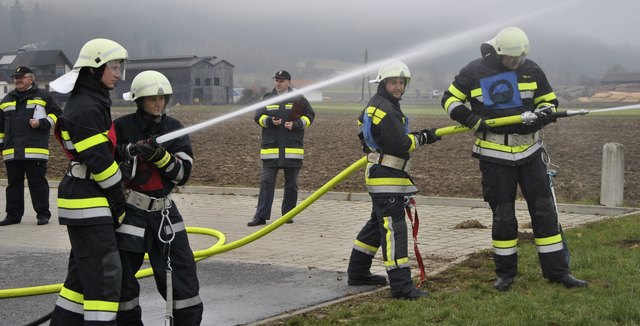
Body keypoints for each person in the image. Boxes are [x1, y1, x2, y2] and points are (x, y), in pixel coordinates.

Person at [440, 26, 587, 291]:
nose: (515, 64)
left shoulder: (531, 69)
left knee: (544, 212)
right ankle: (505, 275)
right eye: (511, 59)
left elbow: (549, 100)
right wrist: (472, 119)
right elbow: (449, 100)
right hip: (495, 155)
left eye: (519, 59)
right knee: (504, 216)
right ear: (497, 52)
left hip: (530, 152)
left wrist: (544, 113)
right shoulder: (474, 71)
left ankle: (558, 272)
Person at [48, 38, 128, 325]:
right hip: (88, 200)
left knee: (81, 278)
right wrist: (119, 201)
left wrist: (126, 151)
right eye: (114, 67)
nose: (118, 74)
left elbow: (100, 151)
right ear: (95, 69)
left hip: (86, 196)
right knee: (106, 274)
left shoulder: (91, 102)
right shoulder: (86, 107)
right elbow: (101, 165)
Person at [114, 70, 203, 324]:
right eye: (153, 98)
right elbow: (110, 164)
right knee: (122, 282)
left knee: (183, 278)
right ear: (139, 100)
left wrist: (160, 157)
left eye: (162, 98)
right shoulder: (122, 127)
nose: (158, 103)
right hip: (130, 212)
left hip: (164, 214)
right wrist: (128, 152)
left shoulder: (174, 128)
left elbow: (183, 174)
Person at [347, 61, 440, 300]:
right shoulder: (387, 109)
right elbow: (401, 144)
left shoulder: (376, 105)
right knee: (393, 229)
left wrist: (369, 144)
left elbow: (361, 123)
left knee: (377, 226)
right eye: (393, 82)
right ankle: (401, 286)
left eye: (402, 83)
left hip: (381, 173)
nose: (398, 87)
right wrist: (424, 137)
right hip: (387, 176)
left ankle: (357, 272)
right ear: (383, 83)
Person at [247, 70, 315, 226]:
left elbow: (310, 116)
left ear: (288, 82)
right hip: (271, 150)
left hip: (292, 149)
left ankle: (287, 215)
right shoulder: (267, 98)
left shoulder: (299, 99)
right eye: (277, 80)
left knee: (291, 185)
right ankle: (261, 216)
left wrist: (296, 124)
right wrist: (270, 121)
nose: (278, 83)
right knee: (266, 183)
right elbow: (258, 117)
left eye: (281, 81)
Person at [0, 66, 61, 226]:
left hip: (35, 150)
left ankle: (43, 214)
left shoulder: (43, 96)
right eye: (16, 77)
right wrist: (1, 146)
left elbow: (56, 113)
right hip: (12, 150)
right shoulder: (7, 99)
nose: (18, 80)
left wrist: (42, 123)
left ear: (31, 78)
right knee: (13, 184)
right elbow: (0, 126)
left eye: (22, 77)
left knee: (37, 183)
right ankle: (13, 215)